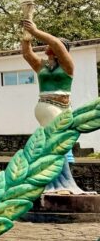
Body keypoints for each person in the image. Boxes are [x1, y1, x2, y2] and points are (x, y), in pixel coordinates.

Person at [21, 19, 83, 193]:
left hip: (61, 109)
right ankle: (55, 181)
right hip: (45, 108)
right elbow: (26, 54)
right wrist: (26, 37)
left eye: (52, 45)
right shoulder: (42, 66)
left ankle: (60, 181)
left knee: (56, 144)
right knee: (52, 143)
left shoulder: (67, 66)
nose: (48, 45)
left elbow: (55, 42)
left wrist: (35, 31)